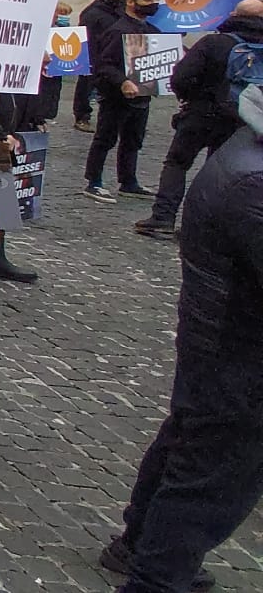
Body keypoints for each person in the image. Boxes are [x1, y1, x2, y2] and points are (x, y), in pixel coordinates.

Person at [99, 84, 263, 593]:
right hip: (238, 351)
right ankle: (155, 577)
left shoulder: (247, 152)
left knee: (190, 441)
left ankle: (137, 543)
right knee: (211, 477)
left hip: (223, 339)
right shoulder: (253, 180)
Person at [138, 0, 263, 238]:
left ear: (235, 15)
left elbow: (181, 78)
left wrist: (187, 97)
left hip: (200, 113)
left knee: (177, 163)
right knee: (221, 174)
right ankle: (206, 228)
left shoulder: (214, 43)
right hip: (243, 119)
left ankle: (163, 218)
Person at [84, 0, 162, 203]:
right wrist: (122, 81)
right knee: (105, 138)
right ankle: (94, 182)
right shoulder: (117, 30)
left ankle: (128, 182)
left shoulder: (152, 31)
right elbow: (104, 64)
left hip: (142, 95)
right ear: (131, 2)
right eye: (147, 0)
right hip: (116, 97)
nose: (153, 4)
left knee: (133, 140)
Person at [74, 0, 129, 132]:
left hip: (113, 57)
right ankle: (82, 117)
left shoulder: (121, 12)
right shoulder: (92, 14)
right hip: (94, 55)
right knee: (86, 88)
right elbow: (85, 35)